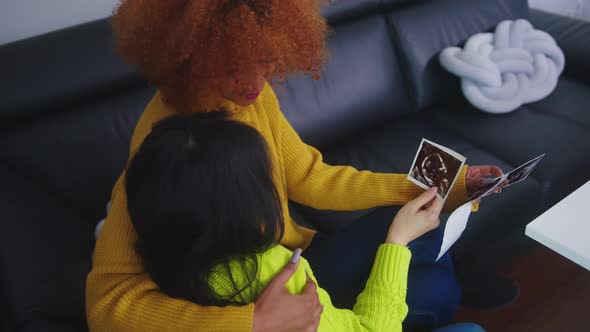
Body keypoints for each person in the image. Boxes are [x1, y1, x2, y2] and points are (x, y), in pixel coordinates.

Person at [86, 1, 502, 331]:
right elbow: (107, 304)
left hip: (294, 259)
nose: (254, 83)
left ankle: (446, 276)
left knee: (431, 231)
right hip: (263, 285)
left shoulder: (254, 97)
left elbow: (309, 177)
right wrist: (251, 323)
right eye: (234, 70)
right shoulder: (167, 143)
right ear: (191, 56)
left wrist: (449, 185)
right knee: (436, 292)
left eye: (267, 61)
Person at [123, 111, 485, 332]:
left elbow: (313, 176)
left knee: (437, 283)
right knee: (463, 319)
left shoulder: (169, 244)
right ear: (249, 204)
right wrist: (397, 244)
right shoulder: (276, 271)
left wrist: (448, 189)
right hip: (316, 301)